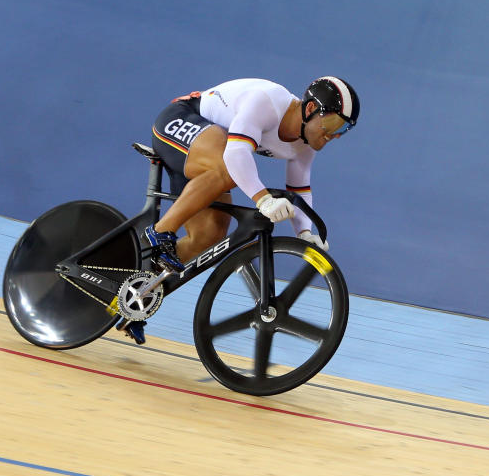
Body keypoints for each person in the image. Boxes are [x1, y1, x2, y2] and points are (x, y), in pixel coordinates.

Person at [121, 76, 360, 345]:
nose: (332, 135)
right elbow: (235, 156)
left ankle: (137, 294)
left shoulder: (305, 144)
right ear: (309, 110)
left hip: (207, 151)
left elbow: (299, 188)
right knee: (228, 163)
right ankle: (160, 232)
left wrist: (304, 232)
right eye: (331, 124)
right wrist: (264, 199)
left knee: (210, 235)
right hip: (181, 120)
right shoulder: (268, 102)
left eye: (342, 130)